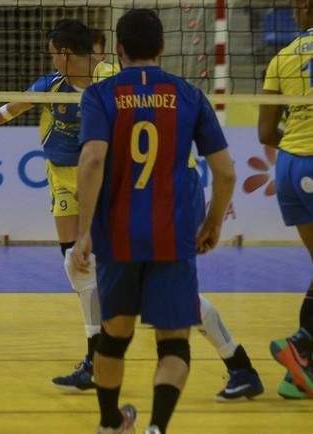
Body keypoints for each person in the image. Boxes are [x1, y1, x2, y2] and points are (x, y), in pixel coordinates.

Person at [0, 19, 263, 401]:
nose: (51, 61)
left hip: (118, 187)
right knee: (76, 267)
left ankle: (237, 364)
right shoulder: (52, 86)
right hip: (71, 181)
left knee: (157, 293)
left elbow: (115, 145)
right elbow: (10, 108)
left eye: (53, 54)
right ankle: (94, 362)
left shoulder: (111, 83)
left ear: (68, 54)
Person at [73, 9, 237, 434]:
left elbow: (92, 159)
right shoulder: (188, 95)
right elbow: (225, 172)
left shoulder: (99, 94)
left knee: (115, 336)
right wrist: (214, 222)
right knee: (174, 343)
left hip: (119, 233)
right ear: (162, 47)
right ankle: (157, 429)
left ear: (119, 49)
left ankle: (111, 424)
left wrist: (84, 230)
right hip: (172, 232)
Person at [260, 0, 313, 400]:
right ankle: (301, 342)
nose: (294, 10)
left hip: (289, 166)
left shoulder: (282, 55)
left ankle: (298, 373)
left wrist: (295, 152)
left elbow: (265, 132)